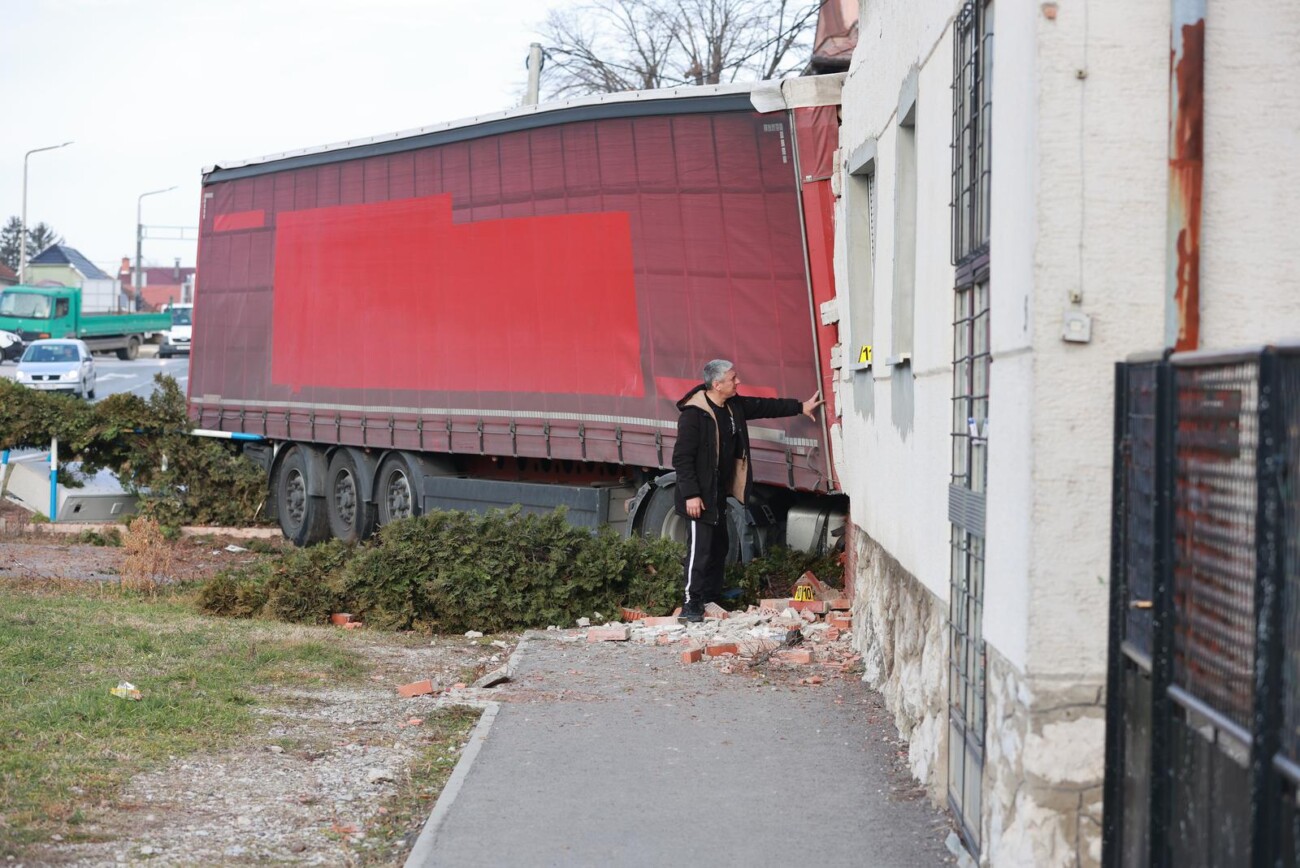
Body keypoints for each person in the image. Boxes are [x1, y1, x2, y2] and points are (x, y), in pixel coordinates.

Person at [672, 359, 822, 622]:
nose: (738, 381)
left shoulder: (733, 406)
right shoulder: (693, 415)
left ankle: (710, 597)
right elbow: (682, 459)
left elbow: (765, 406)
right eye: (733, 378)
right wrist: (691, 495)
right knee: (700, 549)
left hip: (719, 493)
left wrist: (800, 407)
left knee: (720, 546)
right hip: (699, 496)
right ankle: (691, 603)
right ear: (717, 384)